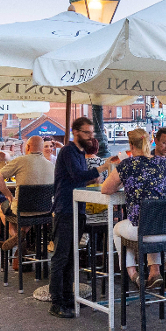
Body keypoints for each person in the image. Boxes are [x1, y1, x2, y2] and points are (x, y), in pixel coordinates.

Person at [49, 117, 118, 317]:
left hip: (76, 207)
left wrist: (92, 177)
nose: (90, 137)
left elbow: (79, 177)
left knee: (72, 256)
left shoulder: (78, 153)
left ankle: (68, 297)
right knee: (62, 256)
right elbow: (77, 175)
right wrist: (102, 169)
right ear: (76, 132)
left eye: (92, 133)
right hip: (65, 208)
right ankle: (56, 302)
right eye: (87, 133)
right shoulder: (68, 151)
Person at [101, 129, 166, 289]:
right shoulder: (165, 163)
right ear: (151, 142)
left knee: (118, 229)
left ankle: (132, 274)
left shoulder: (127, 165)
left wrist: (126, 183)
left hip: (145, 231)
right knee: (150, 222)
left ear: (130, 145)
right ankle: (154, 271)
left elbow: (106, 189)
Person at [0, 136, 56, 255]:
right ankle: (23, 235)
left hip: (23, 210)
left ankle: (17, 237)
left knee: (4, 206)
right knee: (30, 210)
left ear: (27, 147)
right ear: (42, 148)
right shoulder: (51, 165)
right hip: (45, 211)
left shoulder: (20, 160)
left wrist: (9, 196)